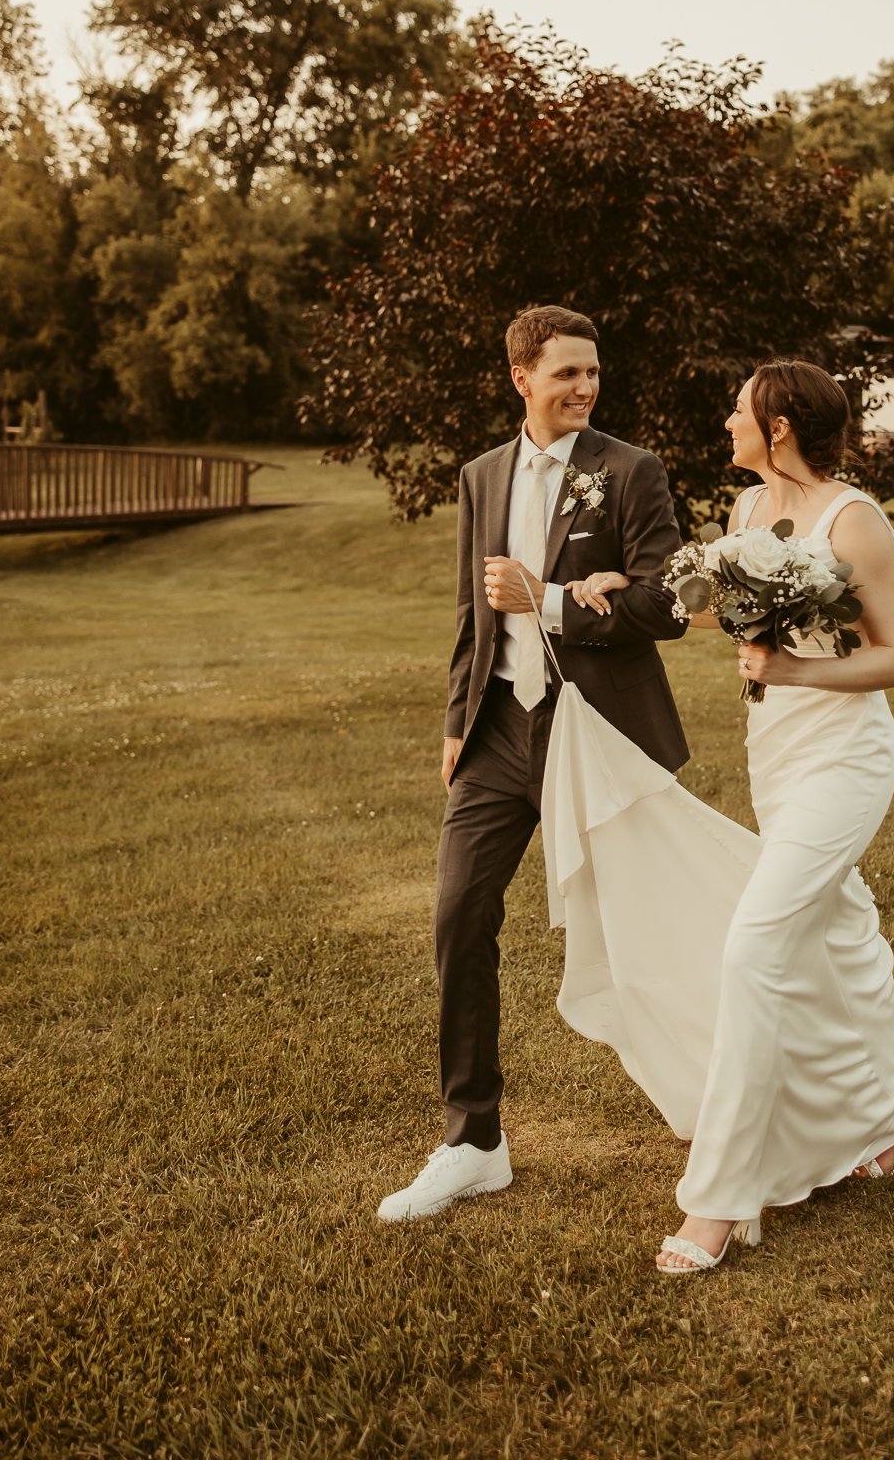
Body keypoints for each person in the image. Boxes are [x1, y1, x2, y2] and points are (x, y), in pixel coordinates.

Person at [572, 359, 894, 1274]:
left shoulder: (853, 521)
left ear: (777, 427)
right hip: (774, 759)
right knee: (843, 932)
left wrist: (793, 673)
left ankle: (722, 1197)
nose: (725, 419)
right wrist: (626, 586)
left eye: (739, 410)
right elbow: (727, 609)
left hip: (843, 759)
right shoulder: (742, 515)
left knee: (755, 948)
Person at [376, 305, 689, 1222]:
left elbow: (670, 605)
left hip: (597, 735)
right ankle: (472, 1142)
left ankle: (716, 1098)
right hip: (493, 740)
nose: (585, 388)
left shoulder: (628, 471)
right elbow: (471, 617)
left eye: (593, 373)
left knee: (648, 935)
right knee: (458, 920)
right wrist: (453, 722)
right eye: (566, 375)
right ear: (522, 377)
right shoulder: (481, 477)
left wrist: (550, 599)